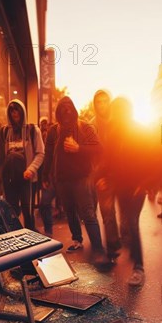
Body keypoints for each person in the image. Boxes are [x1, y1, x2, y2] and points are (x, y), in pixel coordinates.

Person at [42, 96, 113, 272]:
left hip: (82, 178)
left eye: (69, 109)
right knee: (70, 212)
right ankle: (77, 239)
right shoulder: (53, 131)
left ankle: (98, 250)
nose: (66, 113)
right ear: (58, 113)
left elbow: (99, 149)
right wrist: (45, 175)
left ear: (73, 111)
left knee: (88, 213)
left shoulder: (84, 127)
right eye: (62, 110)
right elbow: (48, 155)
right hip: (62, 180)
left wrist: (78, 148)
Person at [100, 97, 156, 286]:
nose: (116, 115)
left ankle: (139, 267)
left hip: (136, 187)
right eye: (115, 112)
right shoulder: (113, 132)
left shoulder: (140, 131)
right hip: (121, 186)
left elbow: (153, 158)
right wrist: (104, 179)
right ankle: (130, 250)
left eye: (119, 112)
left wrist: (146, 182)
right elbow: (109, 160)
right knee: (125, 222)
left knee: (132, 222)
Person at [1, 99, 44, 230]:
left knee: (28, 213)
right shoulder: (5, 132)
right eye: (11, 111)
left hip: (27, 178)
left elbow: (40, 153)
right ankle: (17, 238)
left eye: (17, 110)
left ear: (22, 111)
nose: (14, 114)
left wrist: (31, 170)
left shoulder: (33, 130)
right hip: (10, 179)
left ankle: (32, 239)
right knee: (12, 211)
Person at [92, 89, 121, 257]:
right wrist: (98, 175)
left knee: (124, 213)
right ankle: (112, 245)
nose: (102, 105)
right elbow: (91, 154)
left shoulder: (118, 121)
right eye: (98, 102)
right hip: (103, 173)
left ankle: (120, 238)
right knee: (107, 210)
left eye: (105, 101)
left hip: (120, 171)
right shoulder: (92, 124)